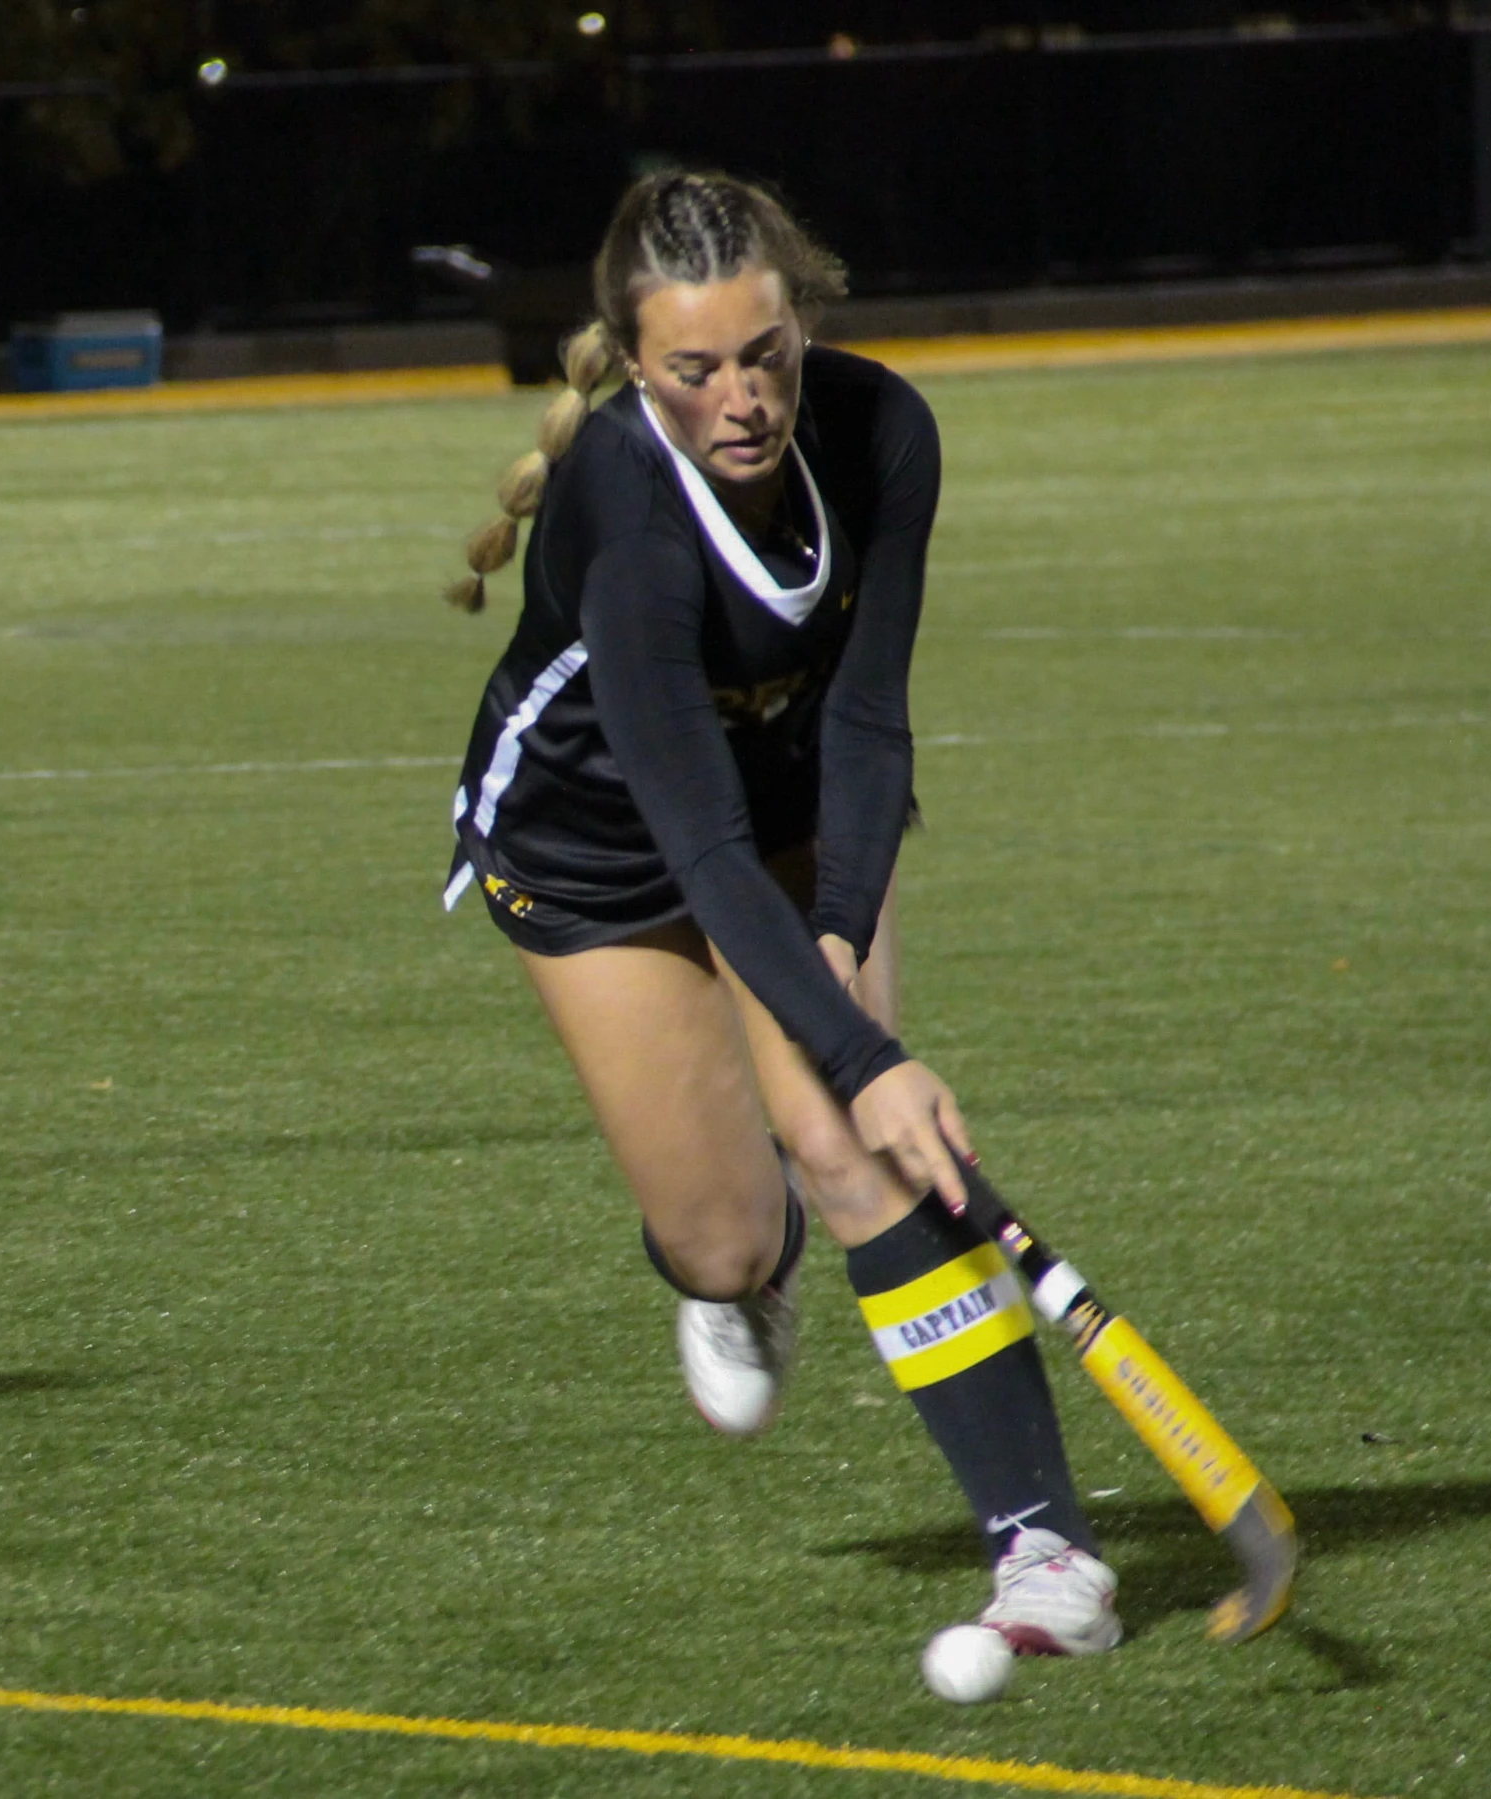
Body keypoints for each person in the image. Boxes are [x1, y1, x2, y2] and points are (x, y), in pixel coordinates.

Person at [441, 170, 1119, 1660]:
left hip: (799, 806)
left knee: (854, 1150)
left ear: (803, 325)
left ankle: (1044, 1552)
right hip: (595, 852)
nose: (741, 398)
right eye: (694, 370)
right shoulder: (625, 524)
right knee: (732, 1235)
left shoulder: (883, 431)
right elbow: (694, 840)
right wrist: (864, 1050)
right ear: (634, 366)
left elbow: (871, 721)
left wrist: (849, 951)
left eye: (767, 355)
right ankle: (733, 1280)